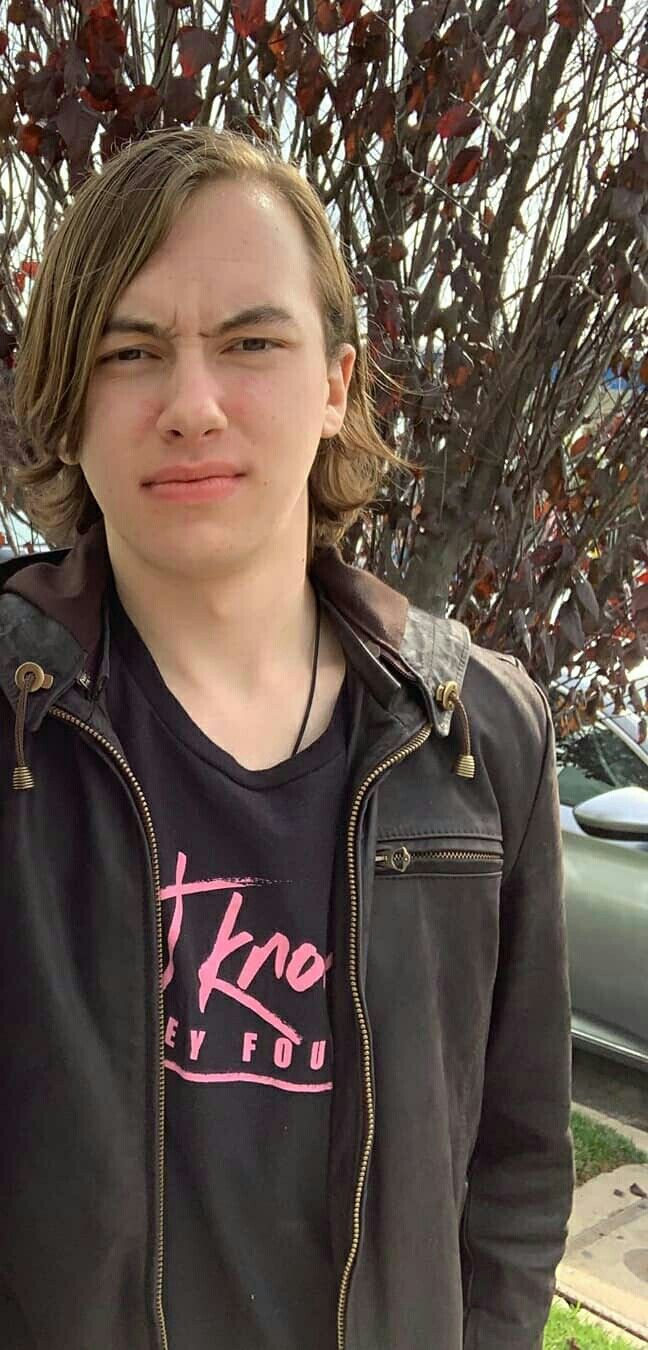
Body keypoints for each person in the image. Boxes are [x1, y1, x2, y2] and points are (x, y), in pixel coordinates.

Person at [0, 125, 574, 1350]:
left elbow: (518, 1165)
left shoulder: (480, 739)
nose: (191, 403)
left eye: (253, 342)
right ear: (66, 398)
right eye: (129, 350)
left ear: (336, 383)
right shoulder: (11, 712)